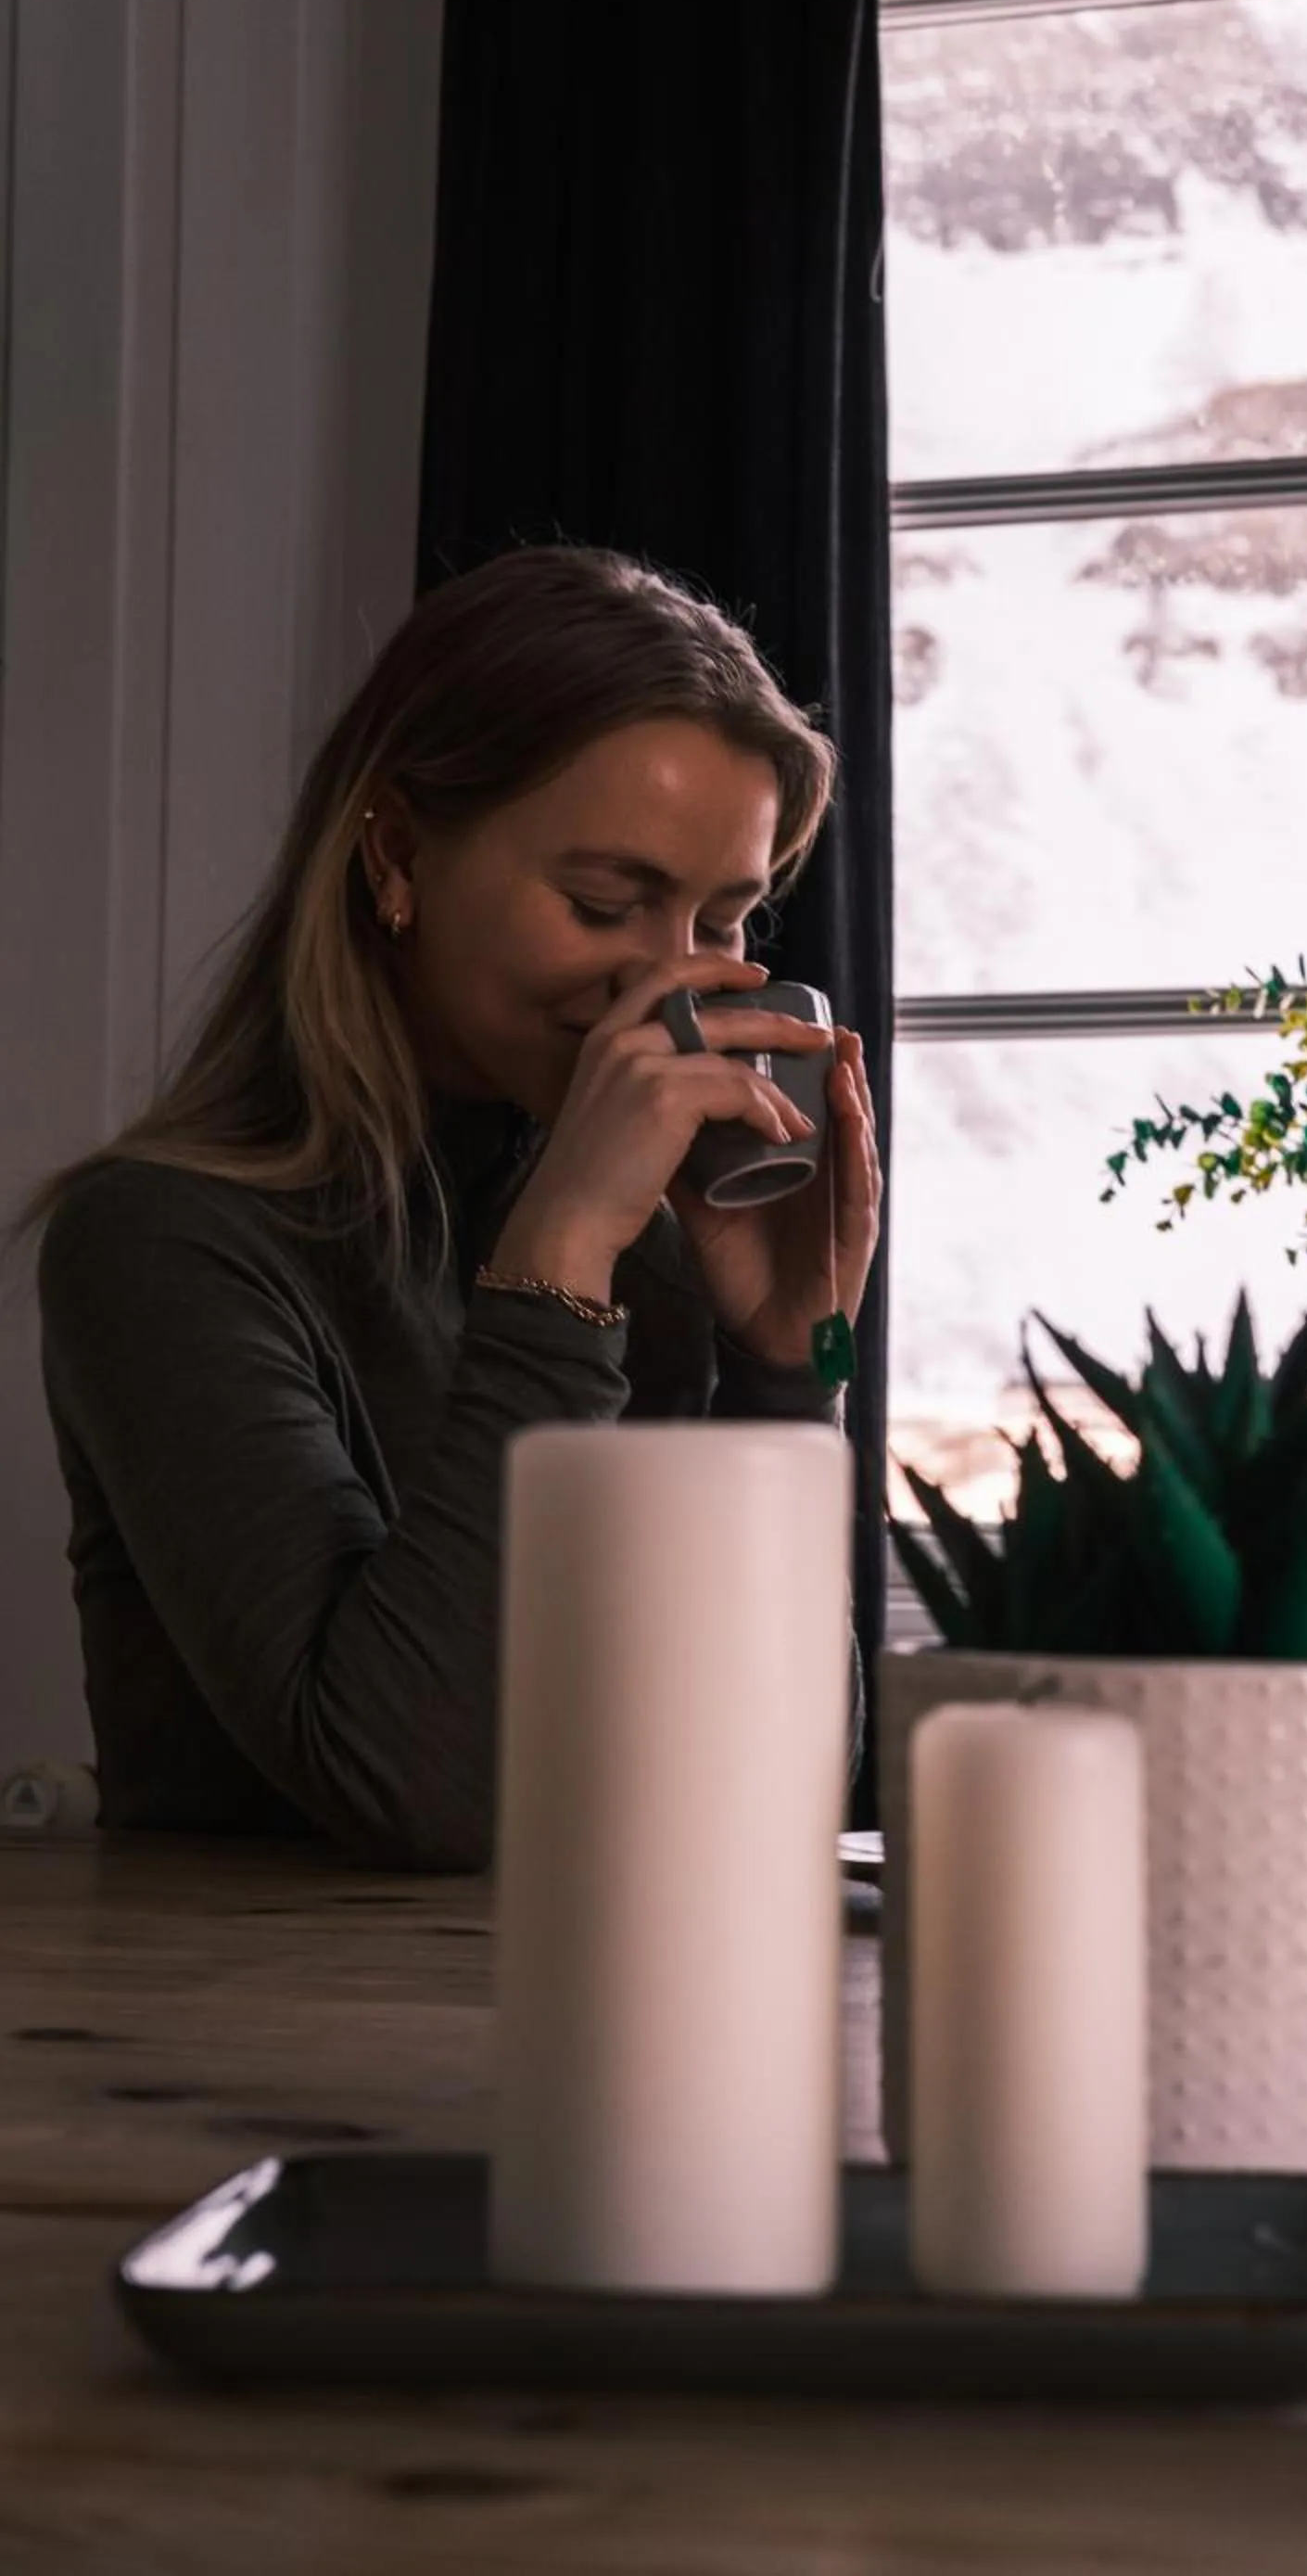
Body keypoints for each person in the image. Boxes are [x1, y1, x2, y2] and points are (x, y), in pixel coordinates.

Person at [24, 547, 881, 1869]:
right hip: (241, 2048)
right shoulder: (159, 1243)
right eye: (607, 903)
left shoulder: (647, 1255)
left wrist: (788, 1368)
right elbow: (409, 1785)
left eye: (722, 917)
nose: (670, 984)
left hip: (600, 2018)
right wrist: (553, 1263)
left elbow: (788, 1787)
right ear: (398, 855)